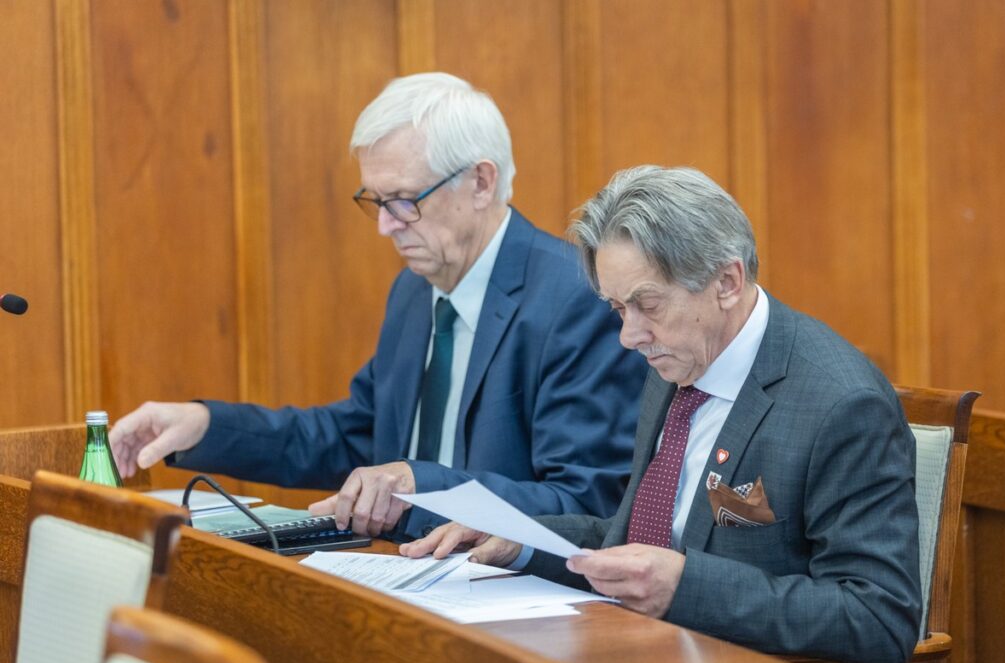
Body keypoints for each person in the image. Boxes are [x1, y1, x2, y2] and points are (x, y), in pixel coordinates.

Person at [402, 165, 921, 663]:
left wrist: (687, 586)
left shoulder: (841, 404)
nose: (630, 336)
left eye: (647, 305)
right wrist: (520, 538)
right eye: (617, 308)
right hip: (641, 656)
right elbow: (628, 539)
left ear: (726, 281)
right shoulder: (675, 361)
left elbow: (879, 618)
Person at [110, 73, 645, 540]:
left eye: (404, 200)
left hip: (516, 601)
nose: (387, 225)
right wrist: (206, 425)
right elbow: (355, 437)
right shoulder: (414, 292)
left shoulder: (574, 295)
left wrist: (419, 485)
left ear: (481, 182)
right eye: (376, 202)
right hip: (408, 577)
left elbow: (584, 503)